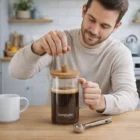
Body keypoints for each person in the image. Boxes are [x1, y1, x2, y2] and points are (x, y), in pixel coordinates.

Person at [9, 0, 139, 115]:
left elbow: (130, 98)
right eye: (91, 19)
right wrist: (36, 47)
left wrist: (101, 101)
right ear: (84, 11)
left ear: (116, 26)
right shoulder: (60, 42)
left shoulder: (119, 53)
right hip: (54, 123)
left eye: (104, 26)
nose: (94, 30)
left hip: (96, 125)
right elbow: (16, 72)